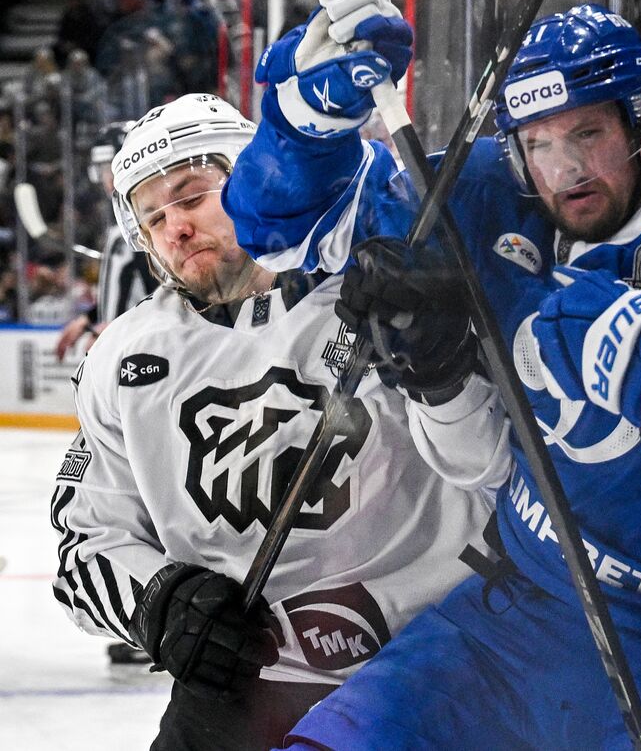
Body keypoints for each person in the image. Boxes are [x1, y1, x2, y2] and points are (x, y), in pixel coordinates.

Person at [222, 0, 641, 748]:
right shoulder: (499, 187)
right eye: (539, 142)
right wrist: (307, 119)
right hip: (514, 606)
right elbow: (280, 232)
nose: (565, 169)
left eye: (587, 133)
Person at [50, 93, 510, 750]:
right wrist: (162, 602)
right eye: (152, 216)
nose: (174, 227)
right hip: (240, 680)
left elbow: (493, 472)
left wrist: (441, 367)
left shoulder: (376, 290)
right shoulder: (123, 358)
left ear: (255, 181)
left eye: (191, 196)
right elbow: (83, 547)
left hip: (430, 653)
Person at [54, 121, 160, 365]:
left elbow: (173, 299)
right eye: (103, 168)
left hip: (146, 354)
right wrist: (91, 318)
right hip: (125, 350)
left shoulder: (155, 227)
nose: (108, 179)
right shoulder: (124, 228)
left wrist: (113, 329)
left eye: (114, 167)